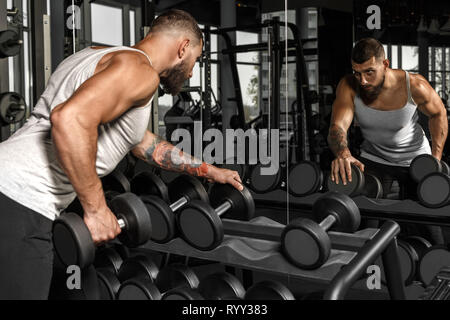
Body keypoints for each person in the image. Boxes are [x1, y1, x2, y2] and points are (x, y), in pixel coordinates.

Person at [0, 9, 242, 299]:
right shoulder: (140, 72)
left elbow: (139, 142)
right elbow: (69, 119)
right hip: (23, 200)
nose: (191, 72)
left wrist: (207, 170)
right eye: (195, 61)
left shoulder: (92, 55)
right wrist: (96, 209)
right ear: (183, 48)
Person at [327, 38, 448, 243]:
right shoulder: (348, 86)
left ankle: (437, 266)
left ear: (385, 64)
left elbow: (439, 114)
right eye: (357, 72)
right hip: (374, 158)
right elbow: (337, 126)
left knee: (426, 223)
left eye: (369, 72)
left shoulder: (414, 85)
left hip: (414, 159)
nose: (363, 80)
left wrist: (434, 159)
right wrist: (343, 154)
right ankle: (368, 267)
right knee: (366, 220)